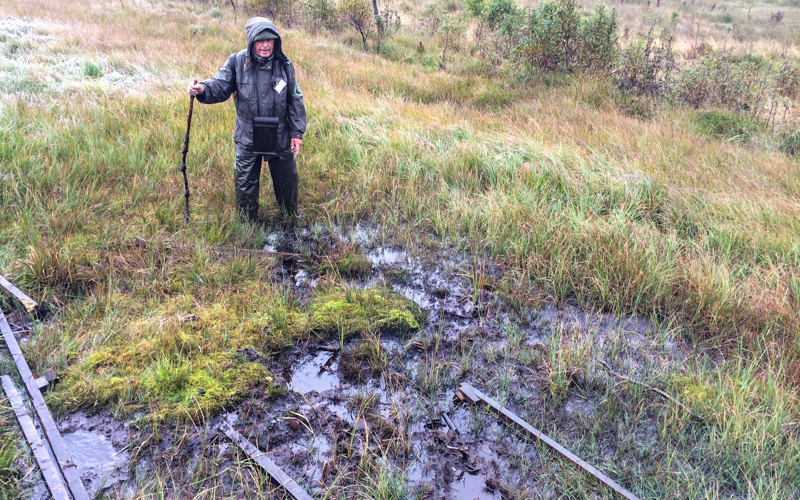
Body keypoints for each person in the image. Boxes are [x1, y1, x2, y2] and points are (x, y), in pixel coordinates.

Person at [188, 17, 307, 222]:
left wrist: (296, 133)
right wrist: (203, 89)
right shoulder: (237, 62)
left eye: (270, 40)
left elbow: (295, 99)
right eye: (260, 40)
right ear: (251, 41)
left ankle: (290, 217)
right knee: (245, 184)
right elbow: (219, 85)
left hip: (280, 134)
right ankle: (247, 225)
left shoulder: (284, 65)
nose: (265, 45)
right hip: (247, 135)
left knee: (287, 180)